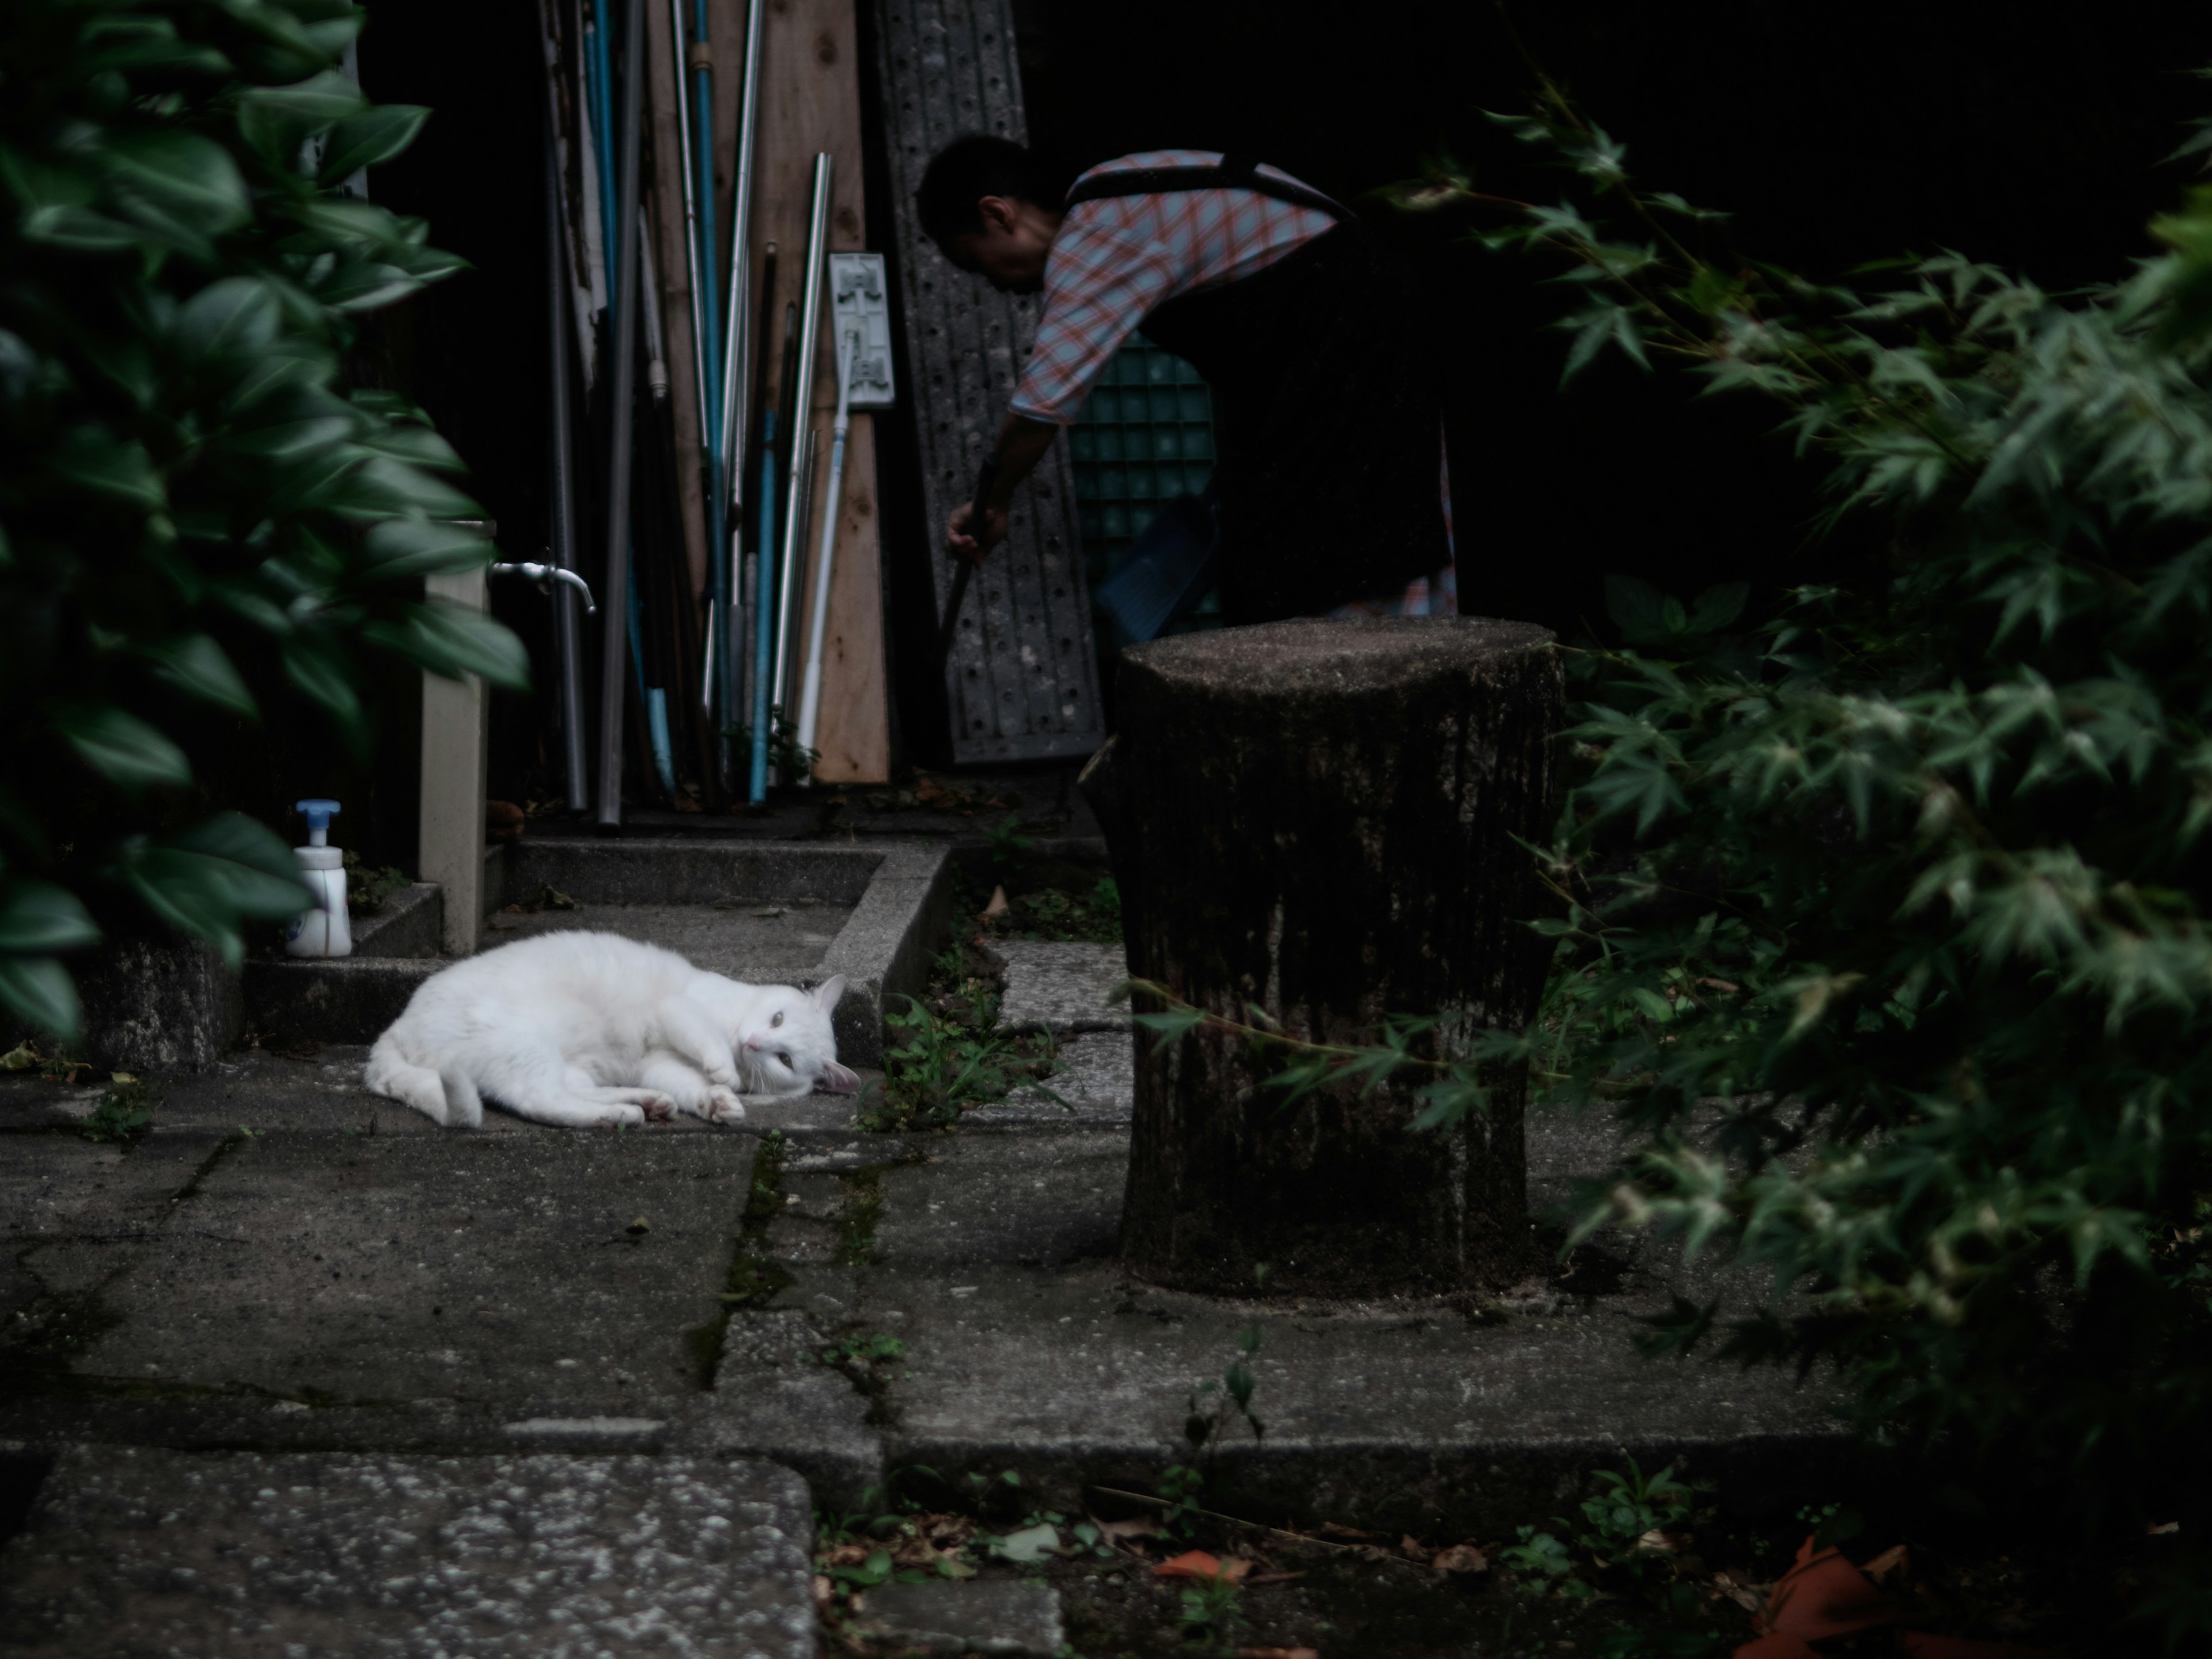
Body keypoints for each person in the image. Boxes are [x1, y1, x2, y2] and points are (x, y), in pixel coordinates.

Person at [916, 135, 1455, 626]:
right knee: (1289, 531)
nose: (996, 286)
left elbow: (1040, 408)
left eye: (978, 264)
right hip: (1343, 333)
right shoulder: (1111, 193)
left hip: (1353, 329)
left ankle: (1360, 684)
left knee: (1329, 540)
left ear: (998, 215)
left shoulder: (1095, 232)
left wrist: (995, 500)